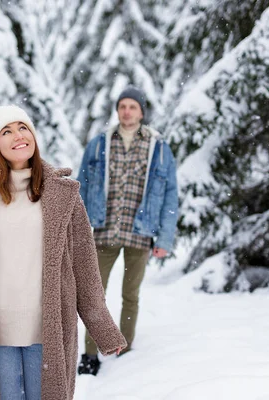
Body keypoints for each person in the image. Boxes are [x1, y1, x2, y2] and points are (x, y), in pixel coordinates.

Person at [0, 105, 126, 399]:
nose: (18, 136)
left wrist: (104, 329)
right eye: (6, 131)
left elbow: (85, 269)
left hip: (48, 330)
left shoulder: (65, 196)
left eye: (22, 127)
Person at [76, 87, 179, 375]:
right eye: (122, 106)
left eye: (133, 106)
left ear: (142, 112)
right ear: (117, 110)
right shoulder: (99, 144)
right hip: (103, 230)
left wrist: (164, 238)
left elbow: (170, 194)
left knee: (130, 294)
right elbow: (79, 187)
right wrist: (78, 229)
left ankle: (124, 348)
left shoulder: (159, 148)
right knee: (94, 294)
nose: (127, 111)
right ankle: (91, 353)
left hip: (140, 232)